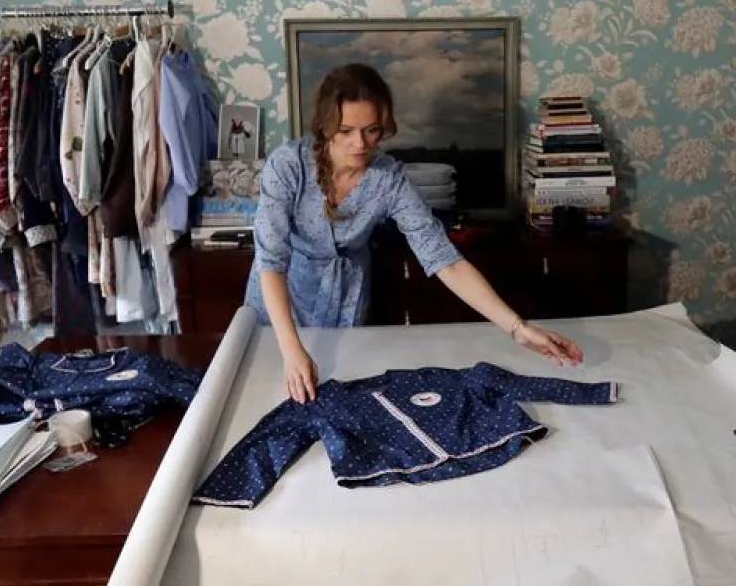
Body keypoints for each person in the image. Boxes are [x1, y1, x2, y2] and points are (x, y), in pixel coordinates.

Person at [244, 63, 584, 404]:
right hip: (281, 304)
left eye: (372, 130)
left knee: (340, 394)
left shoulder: (389, 178)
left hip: (345, 301)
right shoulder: (288, 165)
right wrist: (290, 350)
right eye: (346, 130)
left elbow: (444, 260)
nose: (360, 144)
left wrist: (517, 328)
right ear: (324, 125)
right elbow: (271, 261)